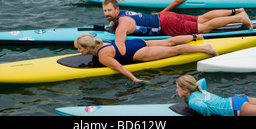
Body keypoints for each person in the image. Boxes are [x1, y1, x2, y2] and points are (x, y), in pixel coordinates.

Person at [74, 33, 218, 83]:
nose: (79, 51)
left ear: (88, 48)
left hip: (139, 53)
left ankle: (206, 49)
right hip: (136, 42)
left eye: (80, 48)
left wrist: (134, 79)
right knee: (170, 41)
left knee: (174, 50)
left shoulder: (102, 55)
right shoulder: (99, 42)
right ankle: (195, 36)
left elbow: (119, 68)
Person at [101, 0, 254, 40]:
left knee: (204, 28)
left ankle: (240, 18)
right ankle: (235, 11)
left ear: (117, 9)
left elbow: (119, 45)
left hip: (166, 25)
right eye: (105, 11)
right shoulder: (122, 14)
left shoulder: (122, 24)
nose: (107, 13)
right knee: (200, 19)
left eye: (109, 10)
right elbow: (115, 20)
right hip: (164, 17)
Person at [176, 75, 256, 116]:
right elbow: (203, 80)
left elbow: (204, 107)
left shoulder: (193, 101)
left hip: (236, 109)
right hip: (238, 99)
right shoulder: (199, 89)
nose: (176, 90)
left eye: (178, 88)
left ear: (185, 90)